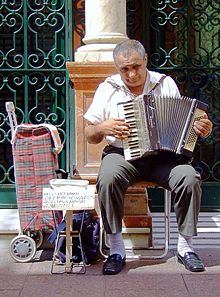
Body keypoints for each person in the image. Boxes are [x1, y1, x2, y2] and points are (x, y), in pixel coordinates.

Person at [84, 39, 213, 275]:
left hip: (163, 158)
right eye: (125, 69)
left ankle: (185, 248)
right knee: (108, 177)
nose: (131, 74)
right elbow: (90, 134)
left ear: (145, 61)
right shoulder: (108, 88)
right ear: (117, 67)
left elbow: (186, 125)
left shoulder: (165, 84)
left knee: (189, 177)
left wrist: (201, 128)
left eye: (136, 66)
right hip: (122, 155)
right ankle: (116, 249)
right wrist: (104, 127)